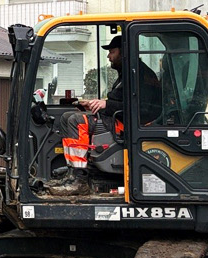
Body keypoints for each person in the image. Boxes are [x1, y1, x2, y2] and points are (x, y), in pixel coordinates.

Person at [49, 34, 161, 194]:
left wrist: (106, 105)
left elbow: (140, 109)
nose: (109, 56)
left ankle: (80, 179)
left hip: (130, 124)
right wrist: (97, 103)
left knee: (76, 121)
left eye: (112, 52)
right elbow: (123, 100)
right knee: (67, 116)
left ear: (123, 53)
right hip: (119, 116)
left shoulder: (140, 76)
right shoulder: (128, 73)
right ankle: (72, 172)